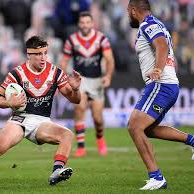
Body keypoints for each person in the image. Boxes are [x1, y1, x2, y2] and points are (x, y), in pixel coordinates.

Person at [0, 36, 82, 187]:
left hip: (42, 122)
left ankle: (57, 171)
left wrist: (76, 90)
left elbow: (75, 100)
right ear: (29, 55)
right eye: (38, 54)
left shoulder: (56, 73)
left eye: (44, 53)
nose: (43, 58)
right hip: (20, 120)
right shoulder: (17, 74)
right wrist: (9, 102)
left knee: (67, 135)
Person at [127, 0, 194, 190]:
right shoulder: (157, 24)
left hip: (161, 84)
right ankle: (193, 141)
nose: (128, 16)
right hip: (168, 84)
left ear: (133, 10)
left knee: (134, 126)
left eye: (128, 12)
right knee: (147, 129)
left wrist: (157, 69)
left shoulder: (148, 25)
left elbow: (162, 46)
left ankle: (156, 177)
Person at [60, 11, 115, 157]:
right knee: (80, 108)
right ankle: (81, 147)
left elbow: (110, 59)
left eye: (87, 22)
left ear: (92, 23)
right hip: (81, 80)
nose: (85, 25)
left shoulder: (101, 39)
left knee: (98, 118)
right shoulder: (71, 40)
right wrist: (64, 78)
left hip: (96, 80)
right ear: (79, 24)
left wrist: (108, 76)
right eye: (82, 22)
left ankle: (100, 138)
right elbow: (64, 61)